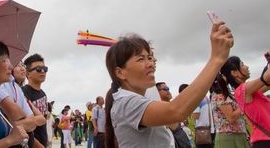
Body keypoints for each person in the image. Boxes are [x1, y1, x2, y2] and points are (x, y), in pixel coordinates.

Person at [104, 21, 234, 148]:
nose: (151, 63)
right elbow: (176, 110)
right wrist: (216, 59)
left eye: (149, 57)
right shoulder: (126, 102)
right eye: (140, 59)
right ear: (120, 73)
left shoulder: (134, 99)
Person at [220, 54, 270, 147]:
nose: (247, 67)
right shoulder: (241, 91)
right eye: (242, 65)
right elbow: (266, 77)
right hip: (264, 142)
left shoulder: (251, 91)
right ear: (234, 73)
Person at [0, 60, 46, 148]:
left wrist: (23, 121)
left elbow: (40, 119)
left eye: (23, 65)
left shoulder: (18, 88)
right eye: (18, 65)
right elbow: (15, 113)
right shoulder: (0, 85)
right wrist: (27, 120)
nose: (23, 68)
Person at [210, 73, 250, 148]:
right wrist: (243, 103)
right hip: (229, 137)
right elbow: (231, 117)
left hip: (237, 135)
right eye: (223, 75)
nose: (227, 75)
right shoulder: (219, 96)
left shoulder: (226, 94)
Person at [22, 53, 49, 147]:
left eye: (45, 69)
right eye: (38, 69)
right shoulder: (23, 93)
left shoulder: (43, 94)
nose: (43, 71)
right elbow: (23, 127)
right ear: (28, 73)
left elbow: (44, 123)